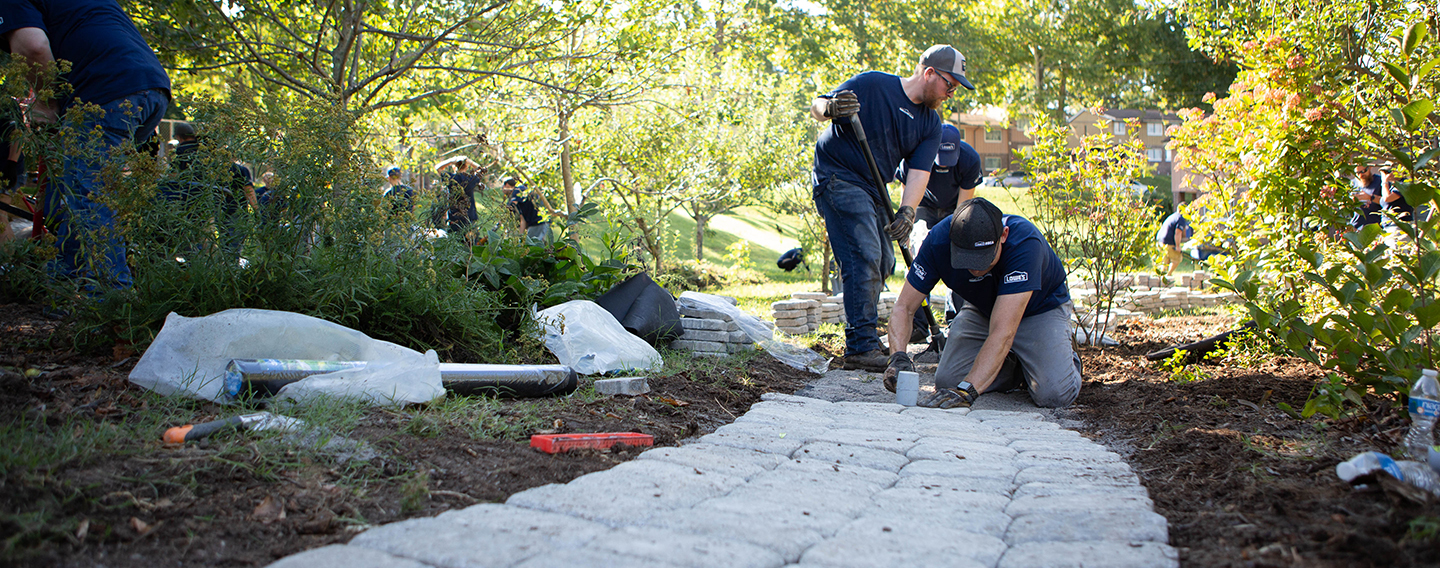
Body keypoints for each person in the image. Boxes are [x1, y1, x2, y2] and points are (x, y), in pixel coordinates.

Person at [810, 44, 974, 371]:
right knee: (865, 254)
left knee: (884, 259)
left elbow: (919, 172)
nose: (951, 93)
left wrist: (907, 212)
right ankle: (860, 346)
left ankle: (865, 336)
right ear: (929, 73)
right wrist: (830, 108)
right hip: (837, 174)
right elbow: (816, 106)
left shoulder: (930, 123)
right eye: (949, 85)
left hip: (873, 185)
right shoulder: (873, 85)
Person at [1, 0, 171, 288]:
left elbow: (33, 47)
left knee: (87, 197)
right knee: (71, 193)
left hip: (106, 90)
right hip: (151, 87)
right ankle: (65, 289)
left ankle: (108, 299)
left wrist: (46, 101)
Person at [884, 197, 1080, 409]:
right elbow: (904, 307)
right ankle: (1015, 366)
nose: (976, 269)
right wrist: (898, 357)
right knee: (948, 382)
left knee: (1053, 394)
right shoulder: (938, 241)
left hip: (1039, 310)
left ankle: (1064, 361)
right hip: (983, 309)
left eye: (983, 258)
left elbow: (1002, 332)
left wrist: (967, 390)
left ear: (1003, 236)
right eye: (966, 258)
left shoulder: (1025, 243)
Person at [897, 122, 982, 344]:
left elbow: (964, 209)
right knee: (917, 260)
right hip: (923, 205)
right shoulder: (915, 157)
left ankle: (958, 321)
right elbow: (908, 198)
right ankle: (918, 324)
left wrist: (956, 237)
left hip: (955, 207)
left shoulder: (969, 159)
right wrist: (907, 227)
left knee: (959, 258)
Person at [164, 122, 256, 261]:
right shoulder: (214, 161)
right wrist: (256, 209)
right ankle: (220, 266)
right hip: (215, 205)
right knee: (223, 242)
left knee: (197, 238)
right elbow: (248, 190)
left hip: (193, 203)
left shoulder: (180, 152)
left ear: (179, 137)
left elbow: (173, 177)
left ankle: (203, 265)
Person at [435, 156, 481, 236]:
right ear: (466, 167)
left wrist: (450, 160)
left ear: (454, 167)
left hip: (454, 217)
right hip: (469, 217)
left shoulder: (452, 178)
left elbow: (438, 168)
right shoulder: (471, 179)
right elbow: (481, 170)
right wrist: (470, 162)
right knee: (470, 244)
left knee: (455, 242)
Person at [502, 178, 551, 243]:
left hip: (538, 222)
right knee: (531, 244)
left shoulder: (518, 190)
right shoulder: (522, 201)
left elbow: (511, 207)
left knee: (531, 245)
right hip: (538, 223)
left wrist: (504, 219)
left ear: (507, 185)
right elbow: (523, 220)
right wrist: (519, 237)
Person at [1156, 208, 1192, 276]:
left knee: (1165, 260)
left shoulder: (1173, 216)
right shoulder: (1180, 218)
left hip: (1160, 240)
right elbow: (1178, 232)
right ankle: (1168, 275)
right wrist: (1177, 246)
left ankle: (1162, 276)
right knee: (1176, 259)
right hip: (1168, 241)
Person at [1350, 165, 1383, 229]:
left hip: (1375, 226)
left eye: (1363, 171)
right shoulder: (1352, 183)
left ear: (1370, 167)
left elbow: (1387, 201)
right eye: (1357, 173)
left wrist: (1370, 197)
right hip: (1356, 226)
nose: (1361, 175)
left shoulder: (1379, 181)